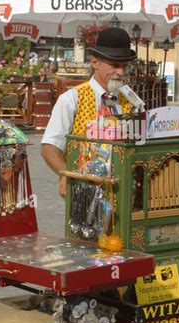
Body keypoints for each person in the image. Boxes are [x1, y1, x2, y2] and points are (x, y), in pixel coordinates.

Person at [41, 26, 136, 197]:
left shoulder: (130, 100)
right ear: (95, 62)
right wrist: (67, 174)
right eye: (114, 65)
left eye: (124, 66)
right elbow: (49, 147)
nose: (121, 72)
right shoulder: (71, 99)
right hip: (84, 193)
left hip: (124, 192)